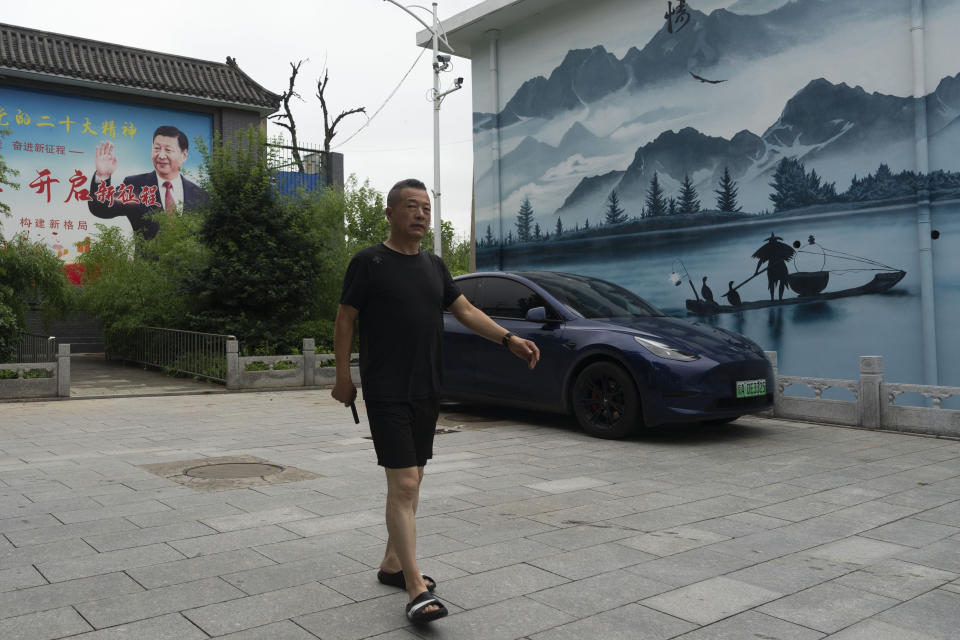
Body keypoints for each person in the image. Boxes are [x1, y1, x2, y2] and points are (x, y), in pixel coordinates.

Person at [332, 178, 540, 624]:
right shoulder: (368, 263)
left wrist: (509, 339)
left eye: (426, 207)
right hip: (386, 388)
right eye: (411, 206)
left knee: (415, 477)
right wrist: (342, 376)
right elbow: (345, 318)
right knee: (405, 483)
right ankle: (414, 588)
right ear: (390, 213)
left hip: (428, 386)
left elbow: (465, 311)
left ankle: (392, 565)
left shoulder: (434, 266)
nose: (421, 213)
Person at [87, 125, 209, 240]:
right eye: (156, 148)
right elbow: (101, 208)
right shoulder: (135, 185)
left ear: (184, 155)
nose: (161, 155)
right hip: (147, 263)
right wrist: (102, 177)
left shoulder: (200, 196)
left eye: (168, 150)